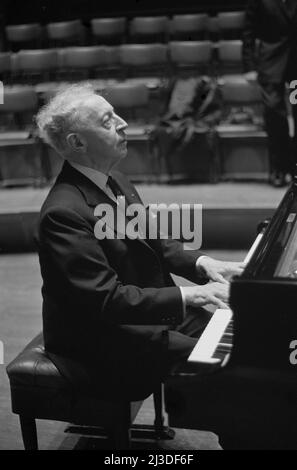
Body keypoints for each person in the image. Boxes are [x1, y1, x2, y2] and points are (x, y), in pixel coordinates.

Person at [36, 83, 243, 401]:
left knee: (242, 336)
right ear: (77, 142)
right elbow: (106, 300)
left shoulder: (115, 179)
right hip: (100, 337)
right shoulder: (62, 214)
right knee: (228, 363)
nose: (123, 123)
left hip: (140, 312)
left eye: (115, 113)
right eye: (107, 121)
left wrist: (205, 264)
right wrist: (194, 294)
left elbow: (156, 240)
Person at [242, 0, 297, 187]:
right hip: (271, 63)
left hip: (296, 66)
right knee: (274, 113)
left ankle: (295, 167)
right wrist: (249, 66)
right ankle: (279, 168)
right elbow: (248, 31)